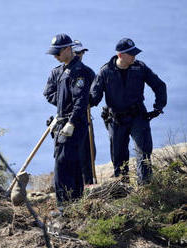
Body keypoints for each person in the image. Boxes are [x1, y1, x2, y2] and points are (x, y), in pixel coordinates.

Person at [90, 38, 167, 185]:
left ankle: (145, 188)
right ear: (120, 55)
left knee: (143, 152)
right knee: (119, 157)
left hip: (138, 116)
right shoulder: (105, 72)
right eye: (130, 54)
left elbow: (159, 85)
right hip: (116, 120)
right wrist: (87, 100)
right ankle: (122, 188)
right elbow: (95, 97)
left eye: (134, 53)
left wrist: (159, 106)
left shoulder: (140, 68)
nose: (134, 56)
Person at [43, 34, 90, 208]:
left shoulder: (79, 71)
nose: (55, 56)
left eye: (58, 52)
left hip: (74, 124)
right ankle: (76, 205)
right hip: (64, 121)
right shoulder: (63, 69)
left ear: (68, 49)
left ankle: (63, 207)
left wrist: (71, 122)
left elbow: (81, 101)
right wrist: (62, 113)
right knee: (73, 164)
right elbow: (54, 95)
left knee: (62, 165)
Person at [72, 40, 96, 185]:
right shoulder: (60, 72)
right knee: (69, 154)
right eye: (77, 52)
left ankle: (88, 183)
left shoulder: (88, 72)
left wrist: (89, 101)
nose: (80, 55)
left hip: (85, 116)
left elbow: (96, 91)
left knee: (88, 151)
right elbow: (50, 93)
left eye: (82, 52)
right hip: (67, 118)